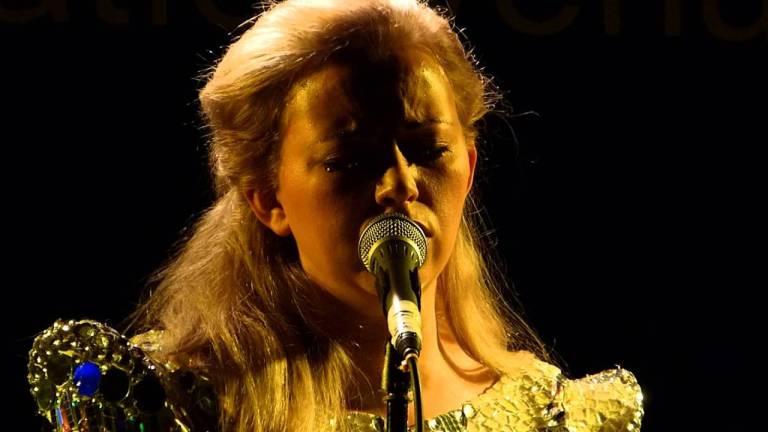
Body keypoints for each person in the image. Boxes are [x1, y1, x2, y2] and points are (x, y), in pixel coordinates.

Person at [28, 1, 644, 431]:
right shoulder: (174, 406)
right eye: (349, 161)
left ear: (470, 169)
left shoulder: (553, 416)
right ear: (268, 199)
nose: (400, 185)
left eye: (429, 150)